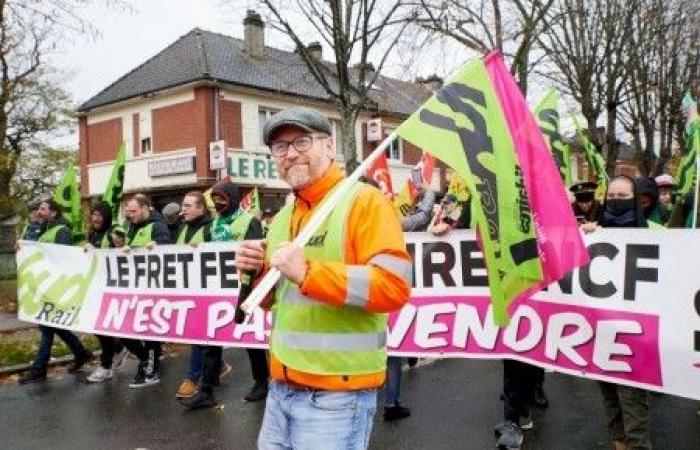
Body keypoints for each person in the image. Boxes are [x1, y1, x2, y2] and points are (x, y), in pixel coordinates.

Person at [235, 107, 412, 449]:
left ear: (329, 147)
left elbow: (393, 287)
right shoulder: (284, 215)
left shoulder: (366, 202)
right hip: (281, 387)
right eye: (280, 147)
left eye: (301, 142)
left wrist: (308, 272)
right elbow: (274, 301)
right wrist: (257, 274)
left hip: (337, 398)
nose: (290, 154)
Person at [181, 181, 270, 409]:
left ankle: (261, 382)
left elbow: (256, 255)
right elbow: (200, 250)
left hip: (245, 288)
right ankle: (207, 389)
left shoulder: (249, 221)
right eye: (215, 198)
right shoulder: (212, 226)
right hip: (217, 289)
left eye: (222, 198)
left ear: (232, 199)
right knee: (213, 338)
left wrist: (247, 291)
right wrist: (195, 250)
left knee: (250, 338)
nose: (218, 203)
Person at [585, 175, 652, 450]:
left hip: (636, 334)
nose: (615, 200)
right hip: (600, 330)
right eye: (611, 195)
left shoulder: (653, 233)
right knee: (610, 397)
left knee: (633, 400)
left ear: (635, 199)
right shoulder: (593, 232)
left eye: (622, 196)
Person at [19, 199, 92, 384]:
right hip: (44, 286)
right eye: (39, 209)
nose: (39, 212)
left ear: (54, 213)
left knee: (47, 327)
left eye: (43, 209)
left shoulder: (62, 231)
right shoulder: (46, 229)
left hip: (55, 287)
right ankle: (81, 352)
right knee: (52, 326)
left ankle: (39, 369)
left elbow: (63, 259)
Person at [121, 193, 171, 387]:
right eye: (128, 212)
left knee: (149, 332)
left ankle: (151, 368)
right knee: (123, 330)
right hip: (134, 287)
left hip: (152, 288)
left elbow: (168, 250)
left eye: (133, 211)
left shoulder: (157, 226)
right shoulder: (132, 227)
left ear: (145, 208)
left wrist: (157, 246)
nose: (130, 215)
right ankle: (145, 359)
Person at [85, 201, 128, 382]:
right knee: (98, 326)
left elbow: (123, 246)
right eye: (93, 215)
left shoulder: (114, 232)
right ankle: (118, 347)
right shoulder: (93, 233)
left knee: (103, 327)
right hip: (97, 285)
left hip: (114, 285)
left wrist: (120, 243)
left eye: (99, 216)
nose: (95, 219)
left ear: (106, 217)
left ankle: (106, 366)